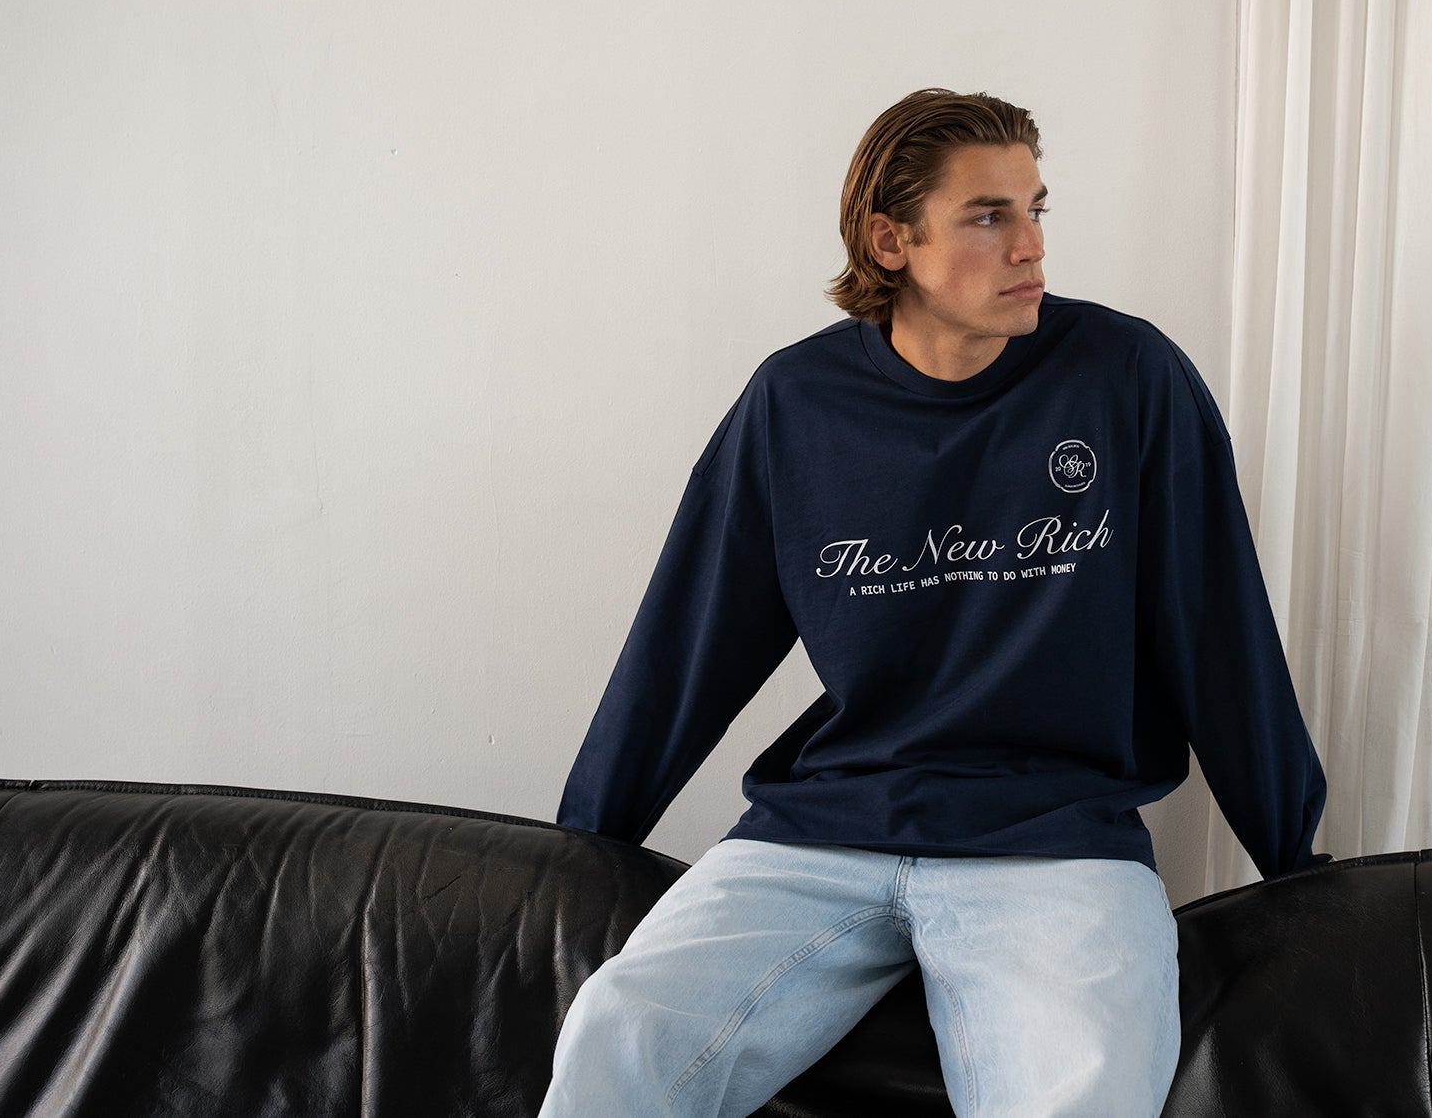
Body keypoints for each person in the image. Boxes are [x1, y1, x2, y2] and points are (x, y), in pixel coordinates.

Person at [539, 89, 1327, 1118]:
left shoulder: (1125, 376)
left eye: (1035, 210)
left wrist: (1294, 864)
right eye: (988, 216)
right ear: (890, 240)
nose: (1030, 246)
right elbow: (687, 642)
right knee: (620, 1034)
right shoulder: (795, 403)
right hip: (819, 833)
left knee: (1083, 1090)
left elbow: (1218, 635)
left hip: (1054, 842)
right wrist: (579, 848)